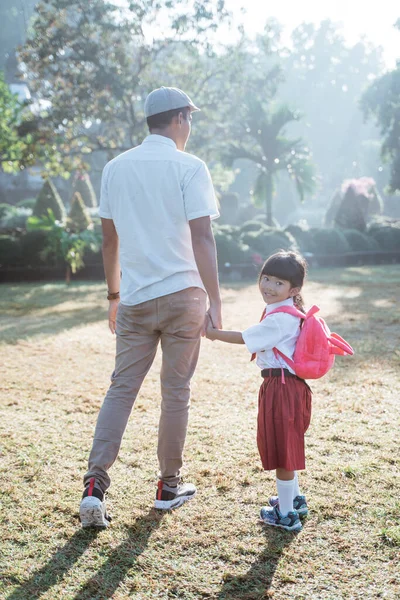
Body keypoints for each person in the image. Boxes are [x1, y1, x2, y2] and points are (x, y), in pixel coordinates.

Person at [79, 86, 222, 528]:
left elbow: (108, 240)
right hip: (184, 297)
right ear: (179, 118)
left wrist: (113, 296)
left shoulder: (115, 169)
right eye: (190, 118)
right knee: (175, 392)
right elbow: (202, 237)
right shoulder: (190, 167)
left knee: (121, 389)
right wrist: (216, 300)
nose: (190, 126)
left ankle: (94, 486)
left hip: (136, 299)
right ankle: (167, 486)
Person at [206, 250, 312, 532]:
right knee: (287, 445)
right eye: (266, 278)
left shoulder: (279, 319)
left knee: (281, 450)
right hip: (289, 386)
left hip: (281, 387)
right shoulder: (288, 311)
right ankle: (295, 500)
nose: (269, 286)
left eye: (279, 283)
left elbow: (245, 338)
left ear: (294, 289)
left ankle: (286, 515)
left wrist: (213, 333)